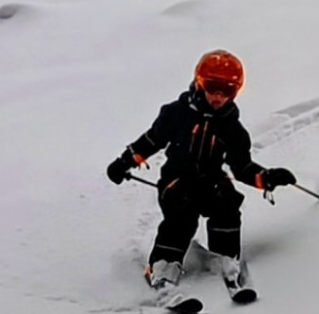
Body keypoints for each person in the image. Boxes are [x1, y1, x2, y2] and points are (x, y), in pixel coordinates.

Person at [106, 50, 296, 291]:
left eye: (226, 91)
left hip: (211, 180)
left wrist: (266, 178)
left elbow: (241, 166)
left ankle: (224, 260)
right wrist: (124, 162)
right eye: (212, 87)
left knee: (228, 202)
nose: (218, 96)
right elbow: (152, 140)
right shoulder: (176, 113)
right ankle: (163, 268)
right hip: (176, 180)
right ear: (199, 83)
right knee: (181, 214)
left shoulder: (233, 129)